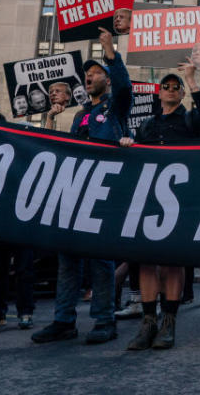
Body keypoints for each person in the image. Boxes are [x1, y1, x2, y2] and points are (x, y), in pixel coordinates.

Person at [32, 27, 131, 345]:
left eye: (96, 72)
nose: (89, 77)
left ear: (108, 78)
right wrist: (49, 119)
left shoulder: (114, 109)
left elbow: (126, 87)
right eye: (86, 74)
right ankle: (64, 321)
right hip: (75, 194)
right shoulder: (80, 116)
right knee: (68, 259)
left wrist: (109, 51)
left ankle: (104, 320)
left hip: (102, 195)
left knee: (100, 261)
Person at [119, 61, 200, 351]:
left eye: (177, 88)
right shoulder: (148, 124)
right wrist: (128, 144)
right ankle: (148, 322)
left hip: (181, 202)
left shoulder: (189, 120)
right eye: (167, 86)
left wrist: (191, 78)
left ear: (182, 94)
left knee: (173, 262)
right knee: (147, 261)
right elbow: (136, 157)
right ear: (159, 93)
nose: (171, 90)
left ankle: (169, 323)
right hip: (150, 201)